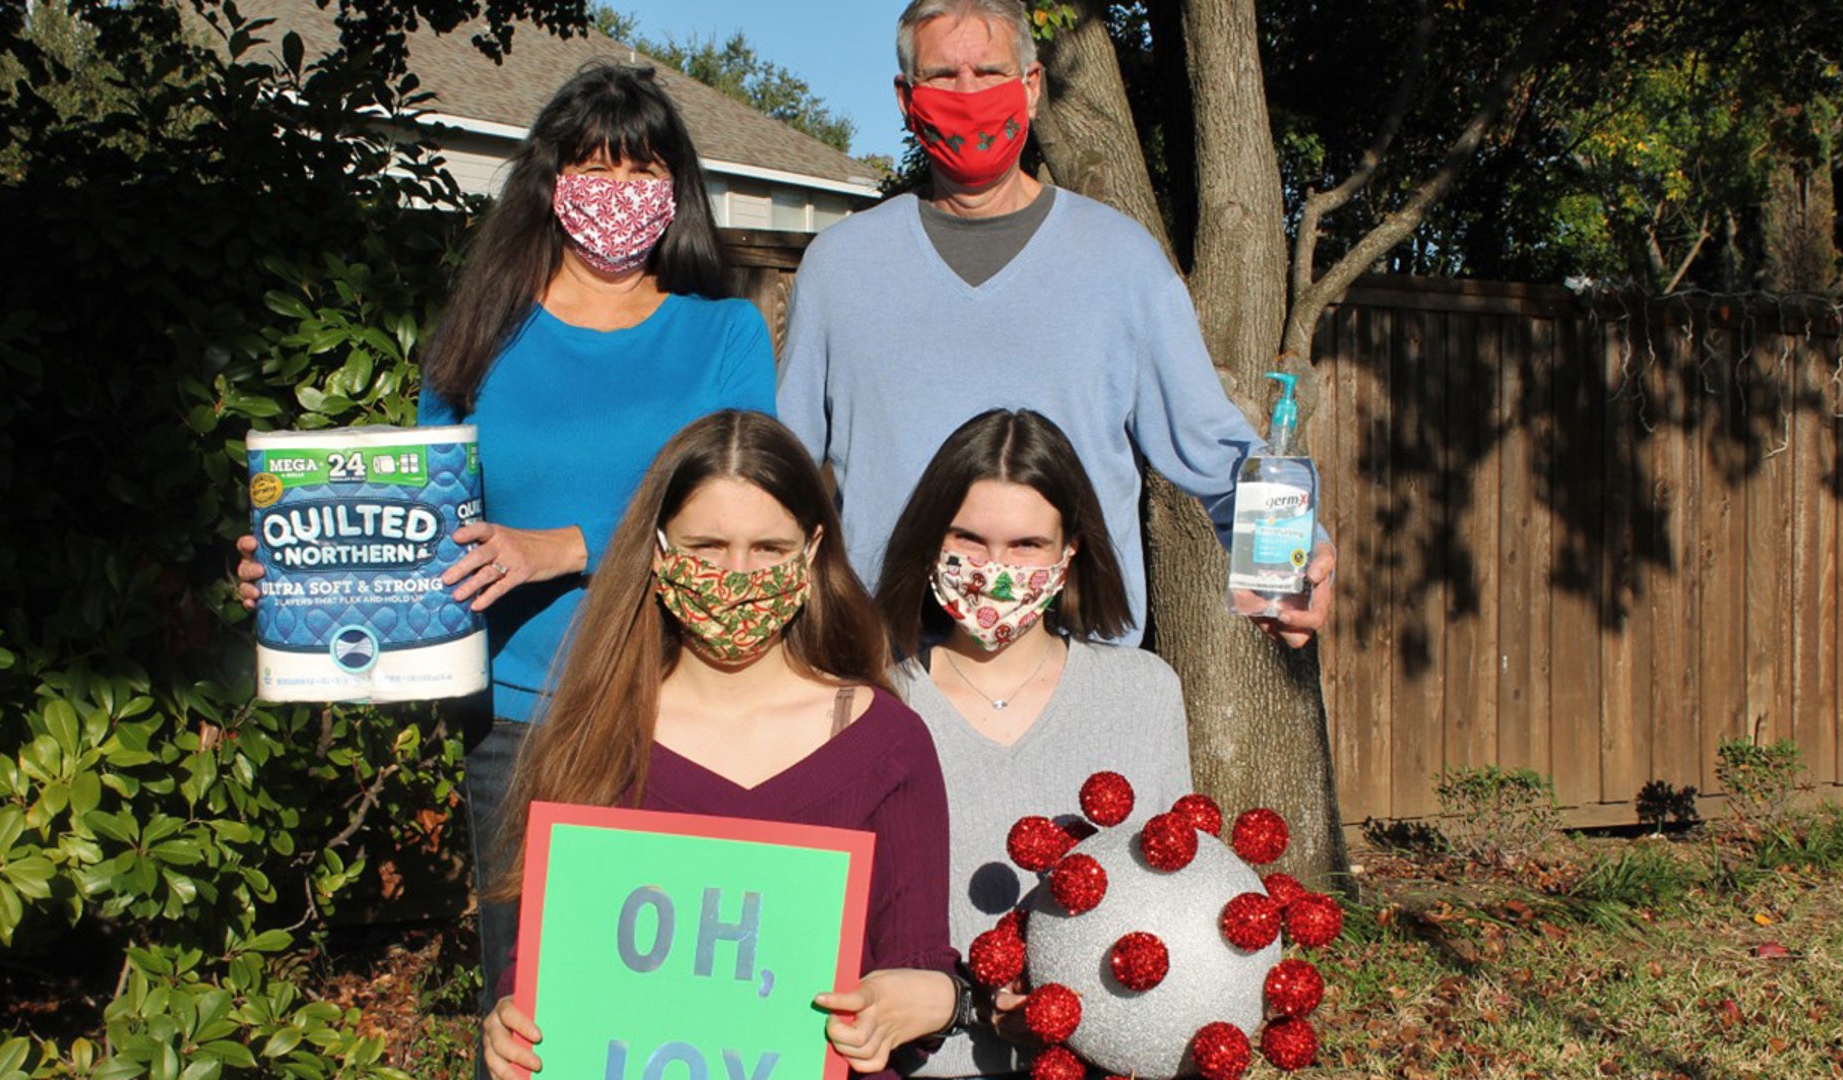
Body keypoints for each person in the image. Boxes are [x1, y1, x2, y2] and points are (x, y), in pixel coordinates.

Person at [235, 64, 776, 1035]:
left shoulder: (725, 332)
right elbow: (419, 528)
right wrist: (298, 575)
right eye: (593, 166)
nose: (618, 193)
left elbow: (745, 513)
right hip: (520, 729)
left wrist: (567, 546)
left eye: (644, 170)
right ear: (547, 180)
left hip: (685, 707)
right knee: (527, 1018)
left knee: (676, 1021)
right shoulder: (482, 333)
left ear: (678, 189)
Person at [776, 0, 1335, 649]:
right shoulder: (839, 267)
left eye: (988, 72)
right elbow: (782, 477)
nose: (967, 93)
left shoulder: (1123, 262)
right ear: (906, 97)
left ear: (1031, 86)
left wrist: (1298, 551)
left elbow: (1210, 445)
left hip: (1080, 675)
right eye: (942, 76)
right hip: (890, 674)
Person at [479, 410, 958, 1079]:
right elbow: (543, 965)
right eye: (707, 547)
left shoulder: (886, 743)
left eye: (768, 549)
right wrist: (510, 1021)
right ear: (658, 550)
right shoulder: (594, 730)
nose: (738, 576)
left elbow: (922, 963)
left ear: (812, 552)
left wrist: (925, 999)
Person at [876, 409, 1193, 1076]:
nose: (995, 570)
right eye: (969, 539)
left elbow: (1174, 898)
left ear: (1070, 550)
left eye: (1026, 545)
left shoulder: (1143, 694)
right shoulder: (870, 703)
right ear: (931, 540)